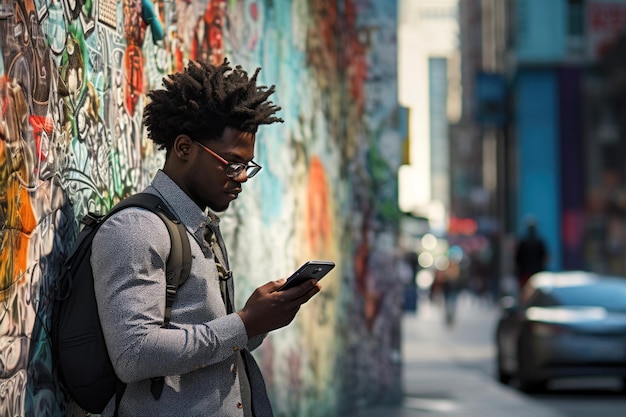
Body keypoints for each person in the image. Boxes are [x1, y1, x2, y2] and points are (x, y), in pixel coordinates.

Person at [91, 59, 322, 417]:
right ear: (184, 148)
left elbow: (210, 337)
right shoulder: (137, 228)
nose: (242, 177)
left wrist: (259, 322)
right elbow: (133, 354)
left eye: (248, 166)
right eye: (232, 164)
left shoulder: (201, 227)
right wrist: (244, 322)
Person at [514, 219, 548, 290]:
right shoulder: (539, 242)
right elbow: (545, 258)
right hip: (535, 273)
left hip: (527, 273)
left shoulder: (523, 242)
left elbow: (517, 259)